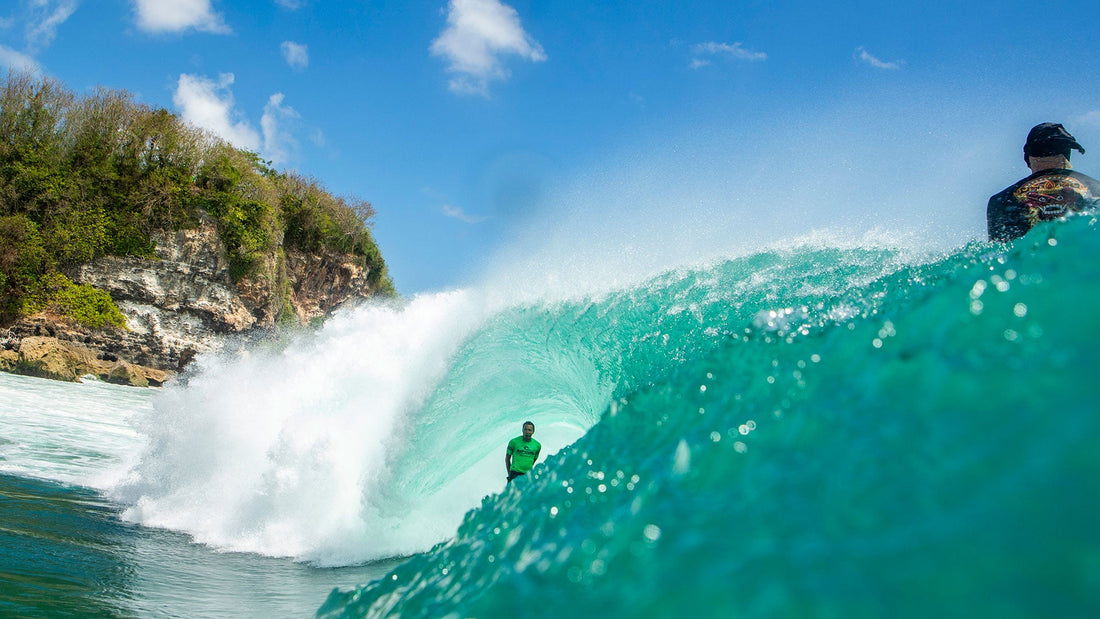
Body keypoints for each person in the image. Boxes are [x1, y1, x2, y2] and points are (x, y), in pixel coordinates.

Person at [987, 122, 1100, 242]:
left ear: (1028, 158)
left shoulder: (1001, 201)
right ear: (1067, 155)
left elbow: (998, 253)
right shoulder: (1096, 191)